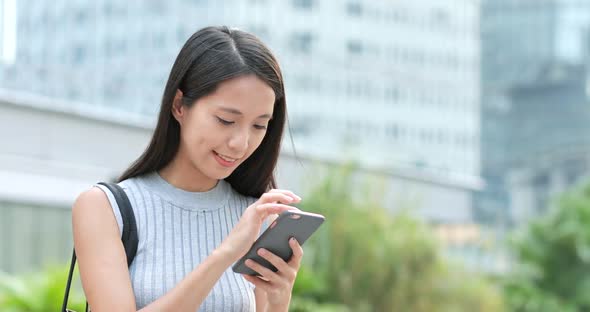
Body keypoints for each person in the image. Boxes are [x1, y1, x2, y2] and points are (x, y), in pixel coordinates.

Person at [72, 26, 304, 312]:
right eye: (225, 120)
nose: (240, 143)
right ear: (180, 105)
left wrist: (280, 300)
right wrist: (224, 254)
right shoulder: (105, 208)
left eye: (259, 125)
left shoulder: (256, 216)